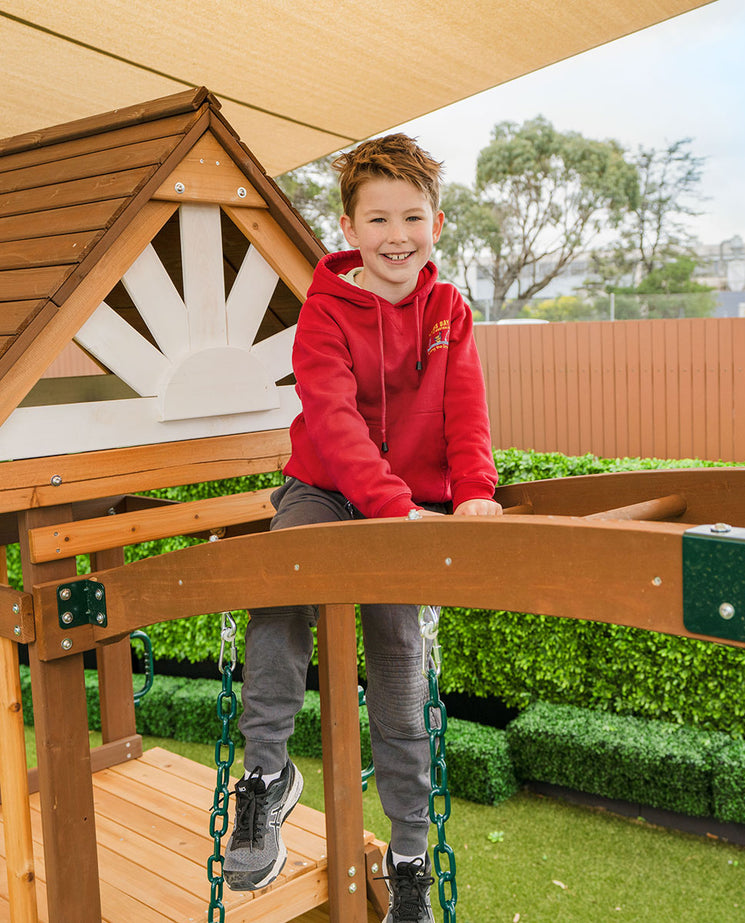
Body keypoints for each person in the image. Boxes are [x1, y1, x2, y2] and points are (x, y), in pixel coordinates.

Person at [222, 133, 502, 923]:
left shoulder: (448, 310)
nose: (395, 235)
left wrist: (474, 491)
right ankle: (264, 778)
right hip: (325, 491)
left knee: (397, 659)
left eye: (411, 217)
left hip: (408, 503)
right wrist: (392, 510)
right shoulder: (322, 313)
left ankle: (408, 850)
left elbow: (464, 411)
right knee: (279, 596)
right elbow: (337, 426)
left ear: (436, 224)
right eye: (377, 218)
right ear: (348, 229)